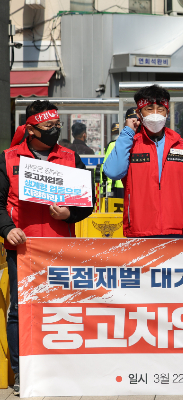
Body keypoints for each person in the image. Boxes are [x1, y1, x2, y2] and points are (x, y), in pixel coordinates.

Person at [0, 100, 95, 396]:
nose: (55, 131)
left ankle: (62, 370)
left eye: (57, 126)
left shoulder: (70, 157)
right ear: (30, 129)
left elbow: (87, 201)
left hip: (60, 248)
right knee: (21, 312)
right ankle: (22, 373)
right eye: (48, 127)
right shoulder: (7, 159)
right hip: (24, 248)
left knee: (63, 309)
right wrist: (7, 229)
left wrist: (71, 213)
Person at [104, 85, 183, 238]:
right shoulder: (130, 143)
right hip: (139, 230)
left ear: (167, 112)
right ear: (139, 113)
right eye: (149, 109)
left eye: (161, 109)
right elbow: (113, 171)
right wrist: (127, 133)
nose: (156, 114)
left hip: (177, 228)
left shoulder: (182, 145)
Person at [103, 108, 139, 199]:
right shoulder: (115, 144)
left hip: (133, 186)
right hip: (118, 185)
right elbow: (108, 168)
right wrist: (108, 188)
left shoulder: (143, 142)